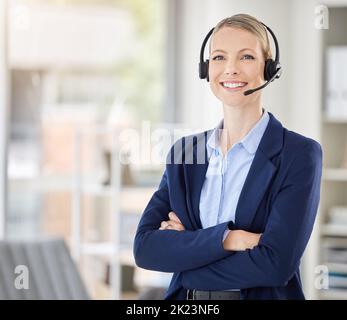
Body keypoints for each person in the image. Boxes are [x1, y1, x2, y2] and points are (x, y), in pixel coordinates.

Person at [133, 13, 323, 300]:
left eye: (246, 57)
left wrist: (184, 257)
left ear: (269, 68)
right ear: (206, 69)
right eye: (219, 57)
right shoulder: (185, 154)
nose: (230, 69)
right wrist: (230, 239)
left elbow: (276, 264)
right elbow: (146, 249)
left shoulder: (298, 155)